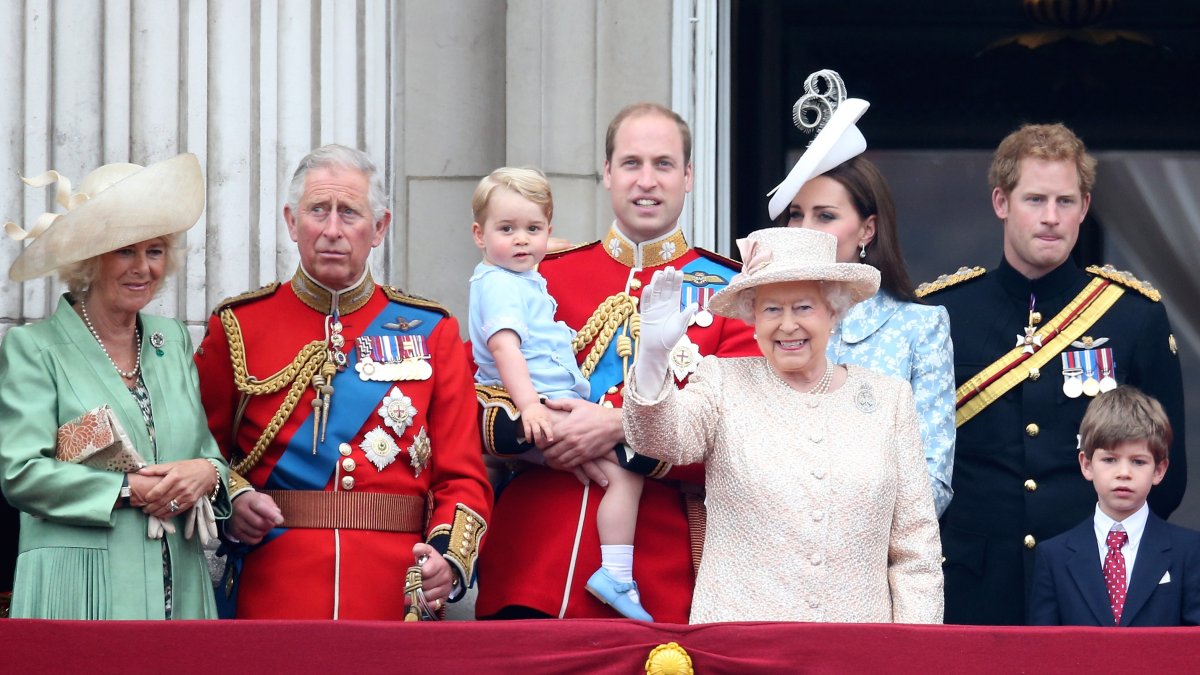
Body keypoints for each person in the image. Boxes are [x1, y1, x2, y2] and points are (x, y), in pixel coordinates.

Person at [474, 103, 758, 622]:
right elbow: (479, 401)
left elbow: (742, 438)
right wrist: (547, 438)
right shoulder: (541, 276)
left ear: (689, 176)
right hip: (531, 564)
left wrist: (621, 425)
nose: (645, 180)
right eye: (630, 163)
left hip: (659, 576)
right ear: (606, 173)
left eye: (664, 164)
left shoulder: (729, 294)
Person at [195, 144, 492, 620]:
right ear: (293, 222)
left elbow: (462, 477)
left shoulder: (432, 331)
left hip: (394, 596)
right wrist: (236, 501)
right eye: (318, 211)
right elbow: (196, 448)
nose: (332, 229)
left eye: (349, 213)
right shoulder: (239, 326)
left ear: (379, 228)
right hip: (272, 590)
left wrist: (448, 560)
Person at [920, 123, 1187, 625]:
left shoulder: (1133, 316)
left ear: (1085, 209)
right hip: (971, 586)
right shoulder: (943, 314)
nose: (1050, 218)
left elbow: (1168, 478)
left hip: (1091, 584)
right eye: (1034, 199)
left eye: (1065, 202)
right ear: (1001, 202)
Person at [623, 227, 943, 623]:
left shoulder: (889, 399)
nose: (787, 325)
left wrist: (915, 655)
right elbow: (663, 439)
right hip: (741, 649)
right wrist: (653, 359)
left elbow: (916, 551)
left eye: (804, 307)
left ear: (833, 311)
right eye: (772, 309)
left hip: (858, 650)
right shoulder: (723, 381)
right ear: (753, 319)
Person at [0, 154, 230, 619]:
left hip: (177, 586)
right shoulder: (34, 347)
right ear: (89, 259)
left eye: (155, 250)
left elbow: (207, 452)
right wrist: (128, 490)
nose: (142, 267)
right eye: (125, 250)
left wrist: (207, 475)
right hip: (78, 584)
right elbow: (21, 473)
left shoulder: (171, 339)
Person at [768, 70, 955, 515]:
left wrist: (842, 532)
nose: (806, 230)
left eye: (825, 215)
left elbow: (932, 480)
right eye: (797, 215)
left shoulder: (920, 327)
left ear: (867, 228)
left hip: (872, 565)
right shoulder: (762, 319)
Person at [468, 167, 651, 621]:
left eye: (533, 230)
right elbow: (496, 356)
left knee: (613, 469)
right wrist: (528, 409)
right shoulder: (506, 281)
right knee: (623, 472)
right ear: (607, 173)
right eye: (631, 163)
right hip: (531, 551)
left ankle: (619, 573)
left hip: (662, 560)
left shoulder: (531, 274)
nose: (522, 240)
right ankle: (618, 573)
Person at [1029, 386, 1200, 626]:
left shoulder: (1190, 551)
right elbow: (1042, 649)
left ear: (1159, 470)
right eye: (1109, 460)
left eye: (1138, 461)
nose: (1123, 473)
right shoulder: (1054, 556)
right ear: (1086, 464)